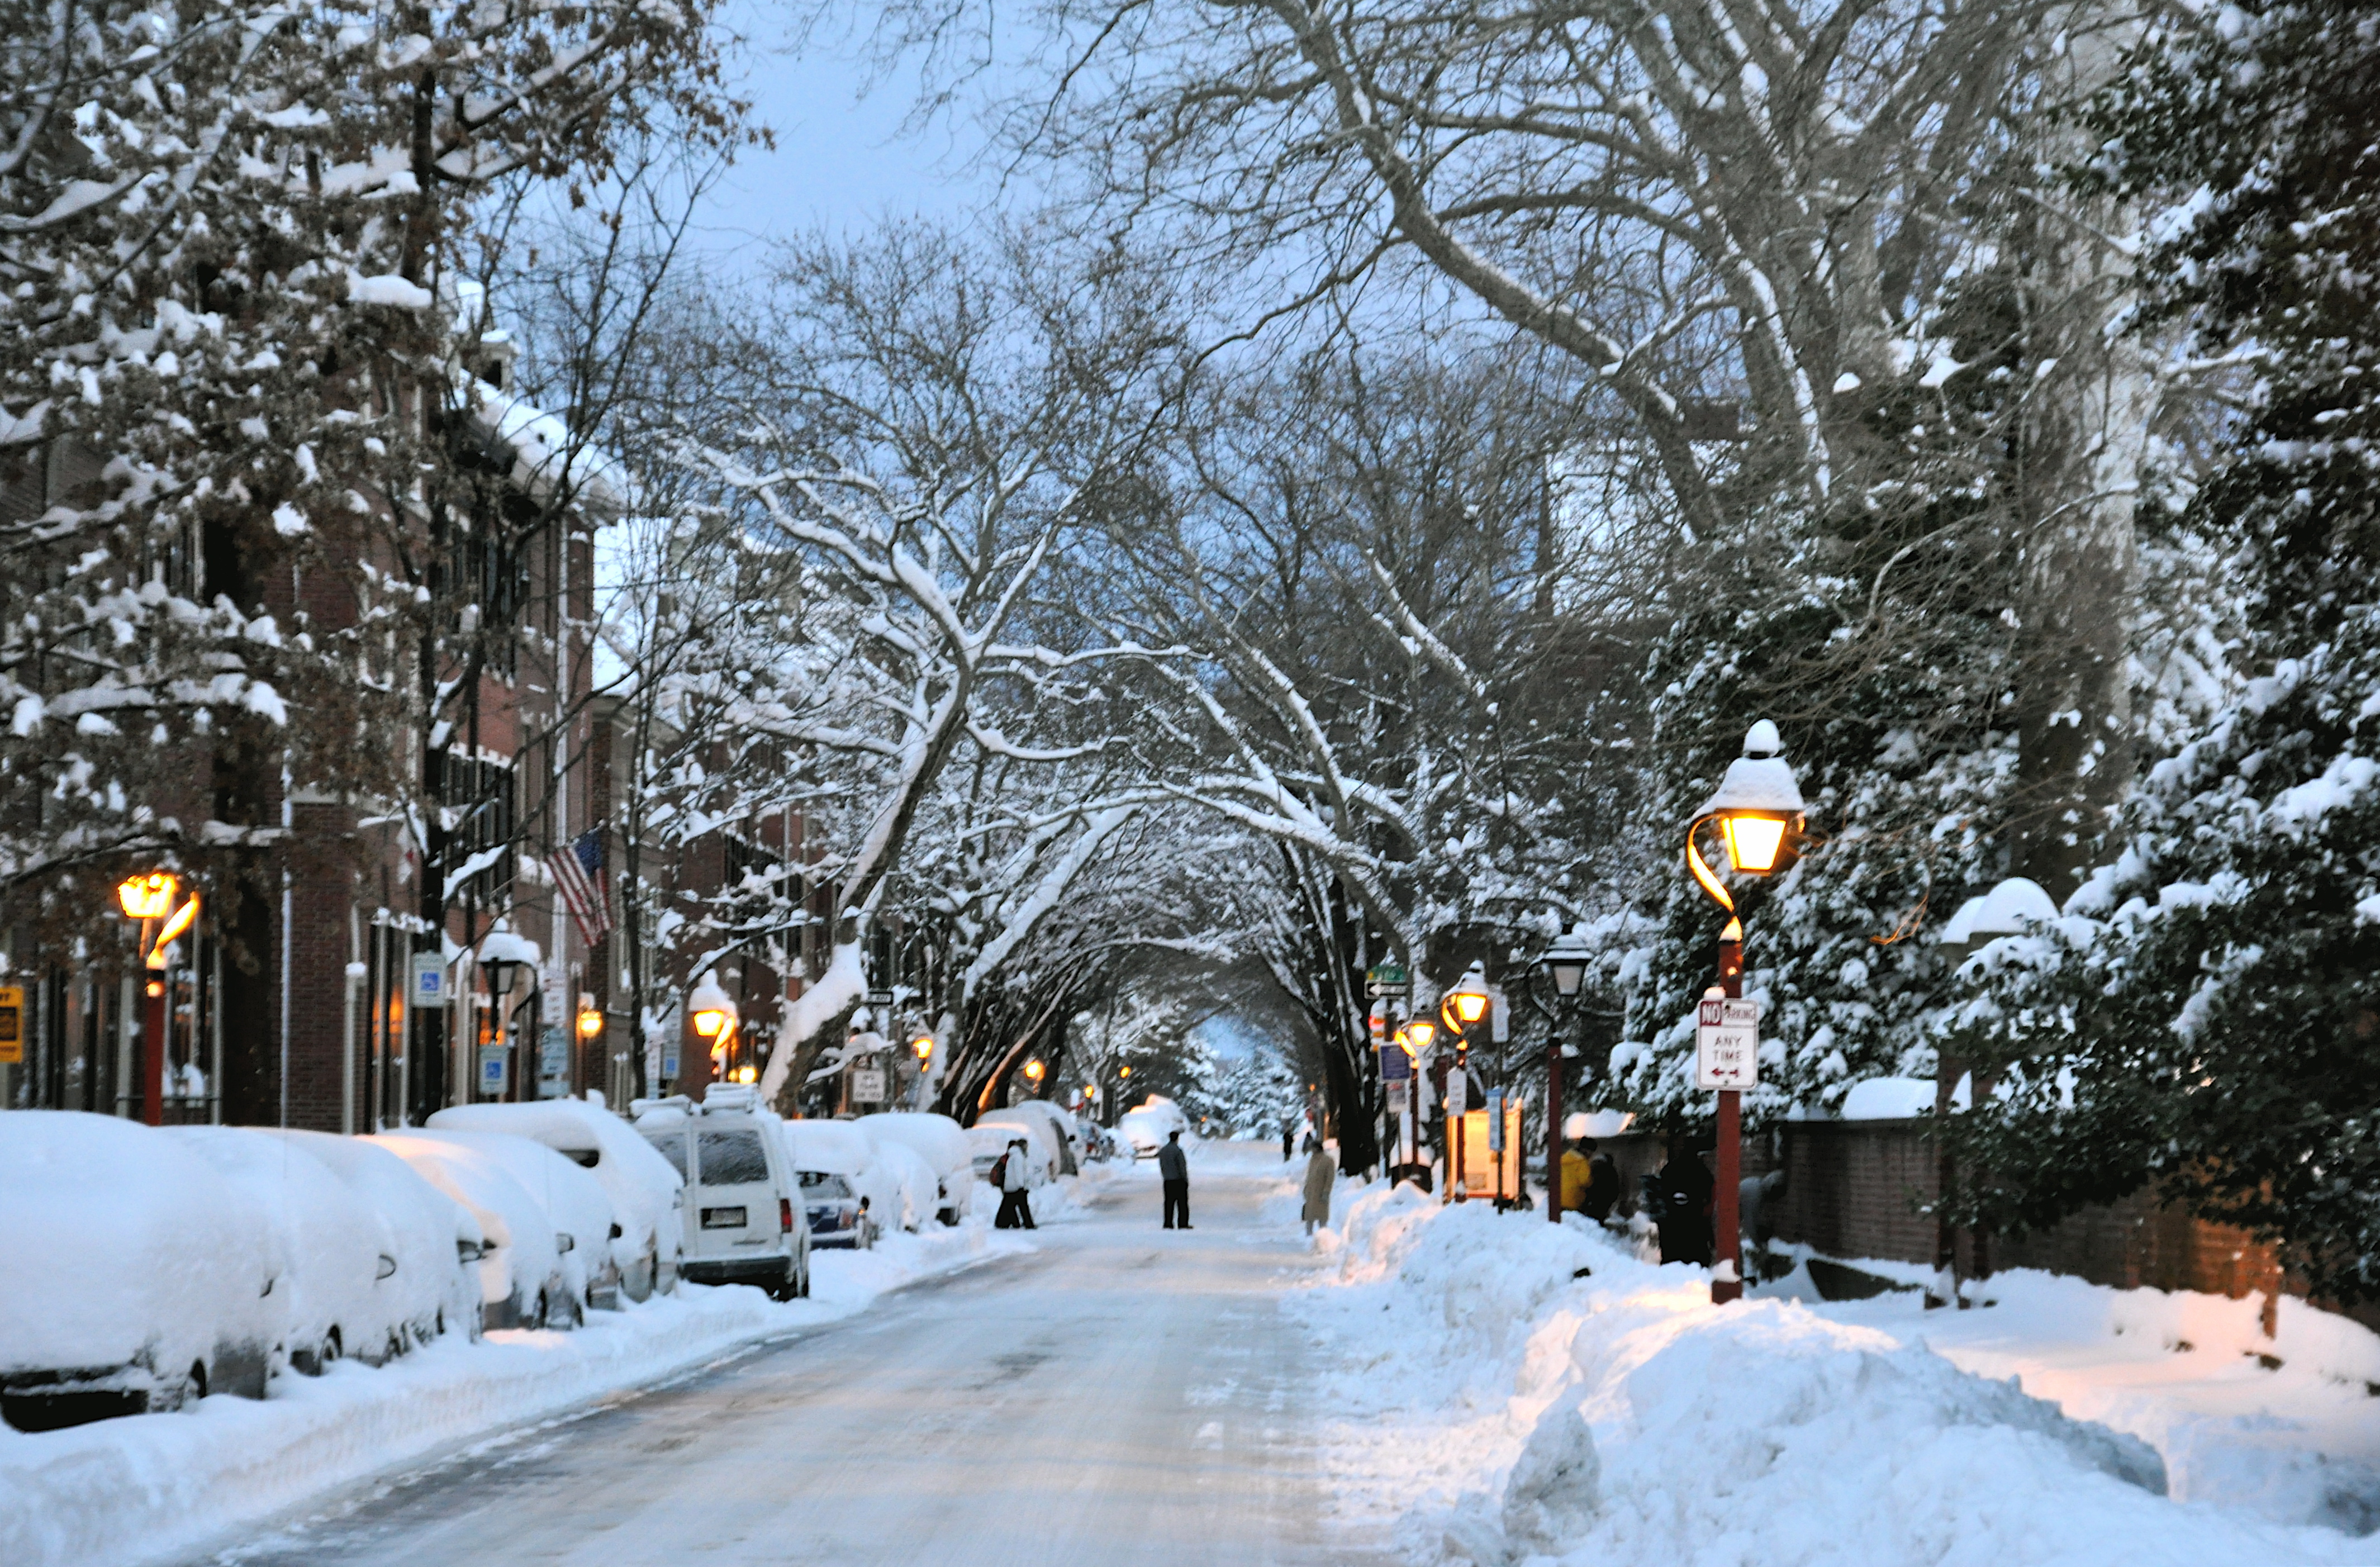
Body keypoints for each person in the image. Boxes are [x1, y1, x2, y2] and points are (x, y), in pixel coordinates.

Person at [1652, 1132, 1714, 1266]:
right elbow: (1709, 1196)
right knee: (1695, 1261)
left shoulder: (1669, 1169)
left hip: (1671, 1226)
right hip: (1694, 1224)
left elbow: (1661, 1193)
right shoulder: (1701, 1171)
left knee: (1672, 1260)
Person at [994, 1137, 1037, 1231]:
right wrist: (1021, 1186)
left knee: (1008, 1206)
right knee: (1023, 1207)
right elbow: (1019, 1173)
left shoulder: (1013, 1155)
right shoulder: (1018, 1157)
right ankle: (1029, 1224)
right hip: (1016, 1187)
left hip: (1010, 1186)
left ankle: (1003, 1223)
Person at [1158, 1128, 1191, 1229]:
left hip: (1168, 1180)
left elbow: (1162, 1165)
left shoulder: (1163, 1151)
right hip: (1179, 1180)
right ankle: (1182, 1224)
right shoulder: (1178, 1151)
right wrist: (1185, 1179)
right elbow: (1182, 1166)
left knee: (1169, 1203)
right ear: (1177, 1139)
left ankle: (1168, 1223)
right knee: (1182, 1204)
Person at [1301, 1141, 1336, 1237]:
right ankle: (1309, 1236)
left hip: (1321, 1193)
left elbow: (1330, 1178)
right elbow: (1309, 1176)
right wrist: (1306, 1188)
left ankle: (1323, 1236)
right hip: (1311, 1193)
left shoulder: (1328, 1160)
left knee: (1322, 1217)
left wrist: (1326, 1191)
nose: (1311, 1151)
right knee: (1309, 1217)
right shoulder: (1312, 1160)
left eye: (1312, 1148)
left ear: (1317, 1148)